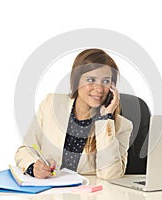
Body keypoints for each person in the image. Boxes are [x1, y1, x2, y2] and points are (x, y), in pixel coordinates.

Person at [15, 48, 133, 180]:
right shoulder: (51, 104)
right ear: (76, 81)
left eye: (105, 81)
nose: (99, 89)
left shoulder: (121, 126)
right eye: (91, 79)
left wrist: (105, 119)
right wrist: (33, 167)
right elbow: (25, 150)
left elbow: (110, 175)